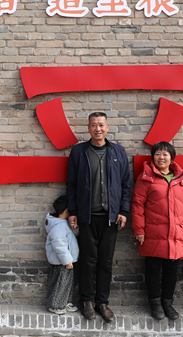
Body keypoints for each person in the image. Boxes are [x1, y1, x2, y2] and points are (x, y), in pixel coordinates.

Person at [66, 112, 133, 323]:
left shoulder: (118, 151)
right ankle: (86, 300)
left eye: (101, 125)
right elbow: (71, 185)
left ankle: (102, 302)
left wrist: (123, 211)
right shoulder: (79, 152)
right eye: (94, 125)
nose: (98, 129)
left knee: (105, 261)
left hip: (110, 217)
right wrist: (73, 211)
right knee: (88, 260)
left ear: (107, 127)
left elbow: (126, 184)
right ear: (88, 127)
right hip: (87, 216)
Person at [131, 141, 183, 321]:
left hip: (176, 233)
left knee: (171, 269)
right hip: (152, 232)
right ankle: (154, 303)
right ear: (153, 157)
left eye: (165, 154)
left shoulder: (182, 178)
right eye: (157, 154)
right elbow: (137, 205)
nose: (161, 157)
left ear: (171, 158)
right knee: (152, 268)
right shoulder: (146, 177)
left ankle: (167, 303)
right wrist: (139, 229)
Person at [44, 195, 80, 315]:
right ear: (67, 210)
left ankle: (65, 302)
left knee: (68, 283)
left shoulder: (63, 223)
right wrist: (67, 260)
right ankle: (55, 305)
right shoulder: (59, 227)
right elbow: (59, 246)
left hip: (67, 261)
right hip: (61, 262)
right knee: (60, 284)